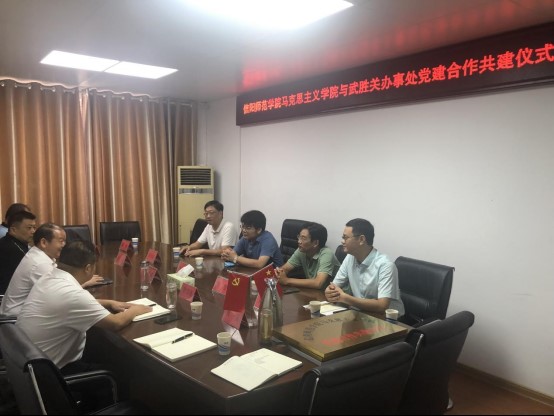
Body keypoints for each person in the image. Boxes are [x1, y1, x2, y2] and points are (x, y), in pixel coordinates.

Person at [16, 240, 152, 371]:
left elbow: (67, 305)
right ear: (88, 268)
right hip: (51, 373)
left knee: (101, 343)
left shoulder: (50, 277)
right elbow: (116, 323)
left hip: (27, 362)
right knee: (124, 366)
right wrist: (136, 310)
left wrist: (109, 303)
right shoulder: (72, 293)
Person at [0, 223, 103, 316]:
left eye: (65, 241)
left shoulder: (39, 254)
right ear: (44, 242)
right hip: (14, 319)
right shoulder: (39, 264)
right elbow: (61, 294)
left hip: (25, 312)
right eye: (61, 241)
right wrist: (84, 282)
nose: (64, 245)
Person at [325, 218, 404, 315]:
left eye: (345, 237)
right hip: (361, 313)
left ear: (361, 239)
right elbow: (334, 286)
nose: (342, 241)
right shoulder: (350, 257)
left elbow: (382, 305)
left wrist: (345, 298)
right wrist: (329, 292)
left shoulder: (385, 265)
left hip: (388, 318)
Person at [276, 222, 340, 290]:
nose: (299, 241)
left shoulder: (327, 254)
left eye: (303, 238)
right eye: (299, 237)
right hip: (315, 291)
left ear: (315, 243)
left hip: (335, 292)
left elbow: (318, 283)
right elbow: (285, 269)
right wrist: (279, 273)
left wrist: (287, 281)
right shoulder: (301, 250)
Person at [0, 210, 37, 294]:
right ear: (13, 230)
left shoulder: (15, 243)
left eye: (34, 227)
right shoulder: (10, 249)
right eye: (29, 228)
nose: (33, 231)